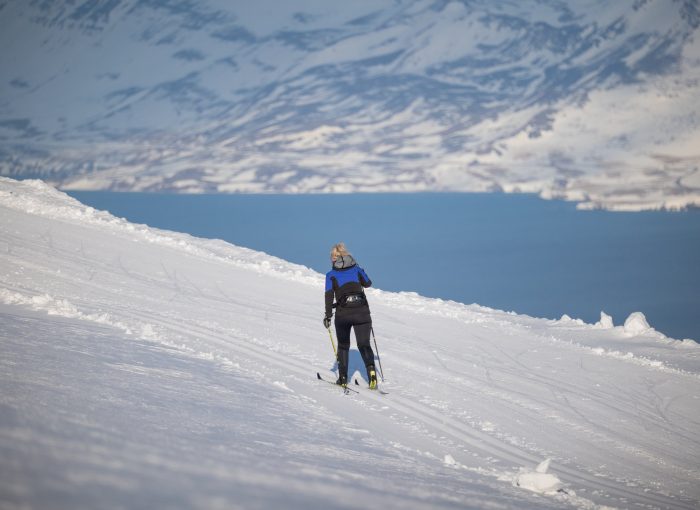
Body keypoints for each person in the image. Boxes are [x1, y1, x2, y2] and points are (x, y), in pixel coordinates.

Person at [324, 242, 377, 389]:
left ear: (336, 258)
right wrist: (361, 271)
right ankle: (372, 372)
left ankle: (342, 378)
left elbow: (328, 297)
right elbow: (368, 283)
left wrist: (328, 316)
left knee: (343, 346)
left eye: (332, 257)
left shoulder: (331, 275)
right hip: (362, 313)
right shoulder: (357, 269)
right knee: (364, 344)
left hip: (343, 315)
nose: (331, 259)